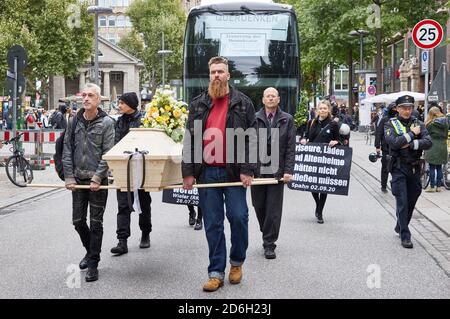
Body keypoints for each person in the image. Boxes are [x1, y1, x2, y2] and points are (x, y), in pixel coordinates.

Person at [182, 56, 256, 292]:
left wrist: (247, 169)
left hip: (233, 173)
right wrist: (188, 172)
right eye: (213, 72)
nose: (216, 75)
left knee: (239, 217)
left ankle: (236, 262)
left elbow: (252, 140)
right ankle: (215, 272)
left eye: (221, 71)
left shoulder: (243, 103)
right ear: (209, 75)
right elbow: (190, 140)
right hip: (207, 173)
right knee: (212, 224)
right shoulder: (198, 104)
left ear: (228, 75)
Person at [63, 83, 115, 282]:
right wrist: (69, 176)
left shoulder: (107, 123)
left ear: (98, 99)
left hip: (97, 182)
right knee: (78, 221)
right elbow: (67, 150)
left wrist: (97, 177)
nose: (85, 98)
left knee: (95, 223)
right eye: (83, 95)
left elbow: (108, 153)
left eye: (90, 95)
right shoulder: (73, 122)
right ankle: (90, 251)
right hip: (77, 180)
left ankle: (93, 263)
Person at [251, 87, 295, 259]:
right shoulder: (254, 118)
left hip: (277, 171)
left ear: (278, 99)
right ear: (263, 100)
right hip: (258, 171)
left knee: (273, 209)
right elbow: (249, 146)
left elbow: (291, 147)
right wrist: (248, 169)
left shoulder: (287, 119)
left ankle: (269, 243)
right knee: (259, 205)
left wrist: (288, 170)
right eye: (267, 96)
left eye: (273, 96)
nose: (270, 98)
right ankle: (266, 229)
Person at [384, 95, 432, 249]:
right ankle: (405, 235)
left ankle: (400, 224)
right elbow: (394, 143)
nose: (407, 110)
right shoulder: (390, 124)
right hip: (399, 168)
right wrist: (412, 134)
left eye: (409, 107)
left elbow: (428, 142)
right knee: (402, 201)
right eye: (404, 108)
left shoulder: (418, 123)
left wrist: (411, 144)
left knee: (412, 200)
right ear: (397, 109)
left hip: (415, 167)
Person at [110, 92, 152, 256]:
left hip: (141, 167)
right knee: (123, 205)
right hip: (123, 167)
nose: (119, 106)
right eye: (119, 103)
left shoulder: (143, 121)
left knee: (143, 203)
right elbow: (116, 143)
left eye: (122, 103)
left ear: (131, 104)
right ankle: (122, 241)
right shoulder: (119, 121)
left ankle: (145, 233)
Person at [300, 100, 340, 223]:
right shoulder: (311, 123)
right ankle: (318, 204)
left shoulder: (333, 124)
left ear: (328, 110)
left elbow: (339, 139)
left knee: (324, 186)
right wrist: (304, 139)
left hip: (325, 160)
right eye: (320, 108)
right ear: (317, 110)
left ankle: (320, 211)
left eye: (325, 108)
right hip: (313, 158)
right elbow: (305, 136)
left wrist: (336, 142)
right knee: (313, 184)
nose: (322, 110)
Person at [424, 107, 449, 192]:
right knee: (439, 167)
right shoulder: (445, 122)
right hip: (442, 145)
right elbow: (446, 134)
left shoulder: (430, 124)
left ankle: (432, 186)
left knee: (432, 167)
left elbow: (426, 135)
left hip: (432, 145)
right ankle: (438, 187)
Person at [375, 103, 397, 193]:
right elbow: (379, 132)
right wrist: (377, 146)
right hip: (386, 147)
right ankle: (383, 186)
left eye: (396, 108)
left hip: (396, 147)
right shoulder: (384, 119)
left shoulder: (398, 119)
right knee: (385, 167)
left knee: (396, 167)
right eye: (394, 108)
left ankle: (395, 185)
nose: (395, 110)